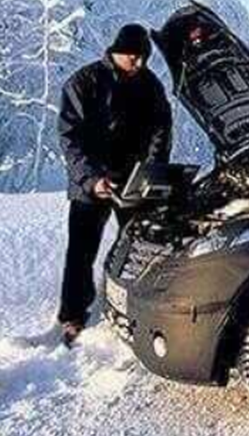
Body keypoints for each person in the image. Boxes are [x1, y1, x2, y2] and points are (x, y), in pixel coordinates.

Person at [56, 24, 172, 346]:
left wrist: (150, 171)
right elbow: (69, 138)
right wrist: (92, 180)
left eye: (143, 59)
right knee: (81, 252)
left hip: (133, 181)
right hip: (90, 183)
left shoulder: (150, 85)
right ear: (116, 51)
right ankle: (72, 316)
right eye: (133, 58)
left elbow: (161, 132)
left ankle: (134, 310)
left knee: (138, 247)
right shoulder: (84, 81)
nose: (138, 65)